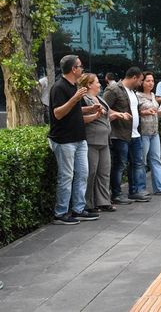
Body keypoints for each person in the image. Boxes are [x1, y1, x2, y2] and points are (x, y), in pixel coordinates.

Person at [48, 55, 99, 224]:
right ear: (73, 69)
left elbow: (73, 111)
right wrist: (75, 98)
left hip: (79, 139)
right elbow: (58, 113)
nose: (82, 68)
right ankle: (60, 213)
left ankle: (78, 209)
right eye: (80, 66)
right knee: (66, 176)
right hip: (64, 140)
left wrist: (89, 108)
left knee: (82, 174)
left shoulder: (74, 86)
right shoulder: (59, 87)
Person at [104, 67, 148, 204]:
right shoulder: (113, 89)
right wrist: (118, 115)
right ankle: (116, 194)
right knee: (120, 164)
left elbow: (133, 110)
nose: (141, 83)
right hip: (120, 134)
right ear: (134, 77)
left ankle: (134, 191)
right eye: (140, 80)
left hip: (134, 134)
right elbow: (104, 108)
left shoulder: (132, 92)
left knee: (137, 163)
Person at [78, 73, 119, 213]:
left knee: (104, 172)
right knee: (91, 172)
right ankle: (87, 204)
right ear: (89, 84)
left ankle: (103, 201)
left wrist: (117, 115)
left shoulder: (100, 98)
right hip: (92, 140)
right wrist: (95, 115)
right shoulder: (83, 99)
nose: (100, 84)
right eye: (96, 82)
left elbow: (106, 116)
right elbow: (80, 118)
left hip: (104, 141)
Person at [137, 71, 161, 196]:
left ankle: (159, 187)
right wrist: (145, 112)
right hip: (143, 132)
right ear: (141, 82)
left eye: (152, 81)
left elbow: (157, 113)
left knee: (156, 159)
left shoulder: (153, 95)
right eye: (148, 80)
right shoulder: (137, 95)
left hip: (154, 131)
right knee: (142, 161)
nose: (151, 83)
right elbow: (136, 113)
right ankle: (141, 188)